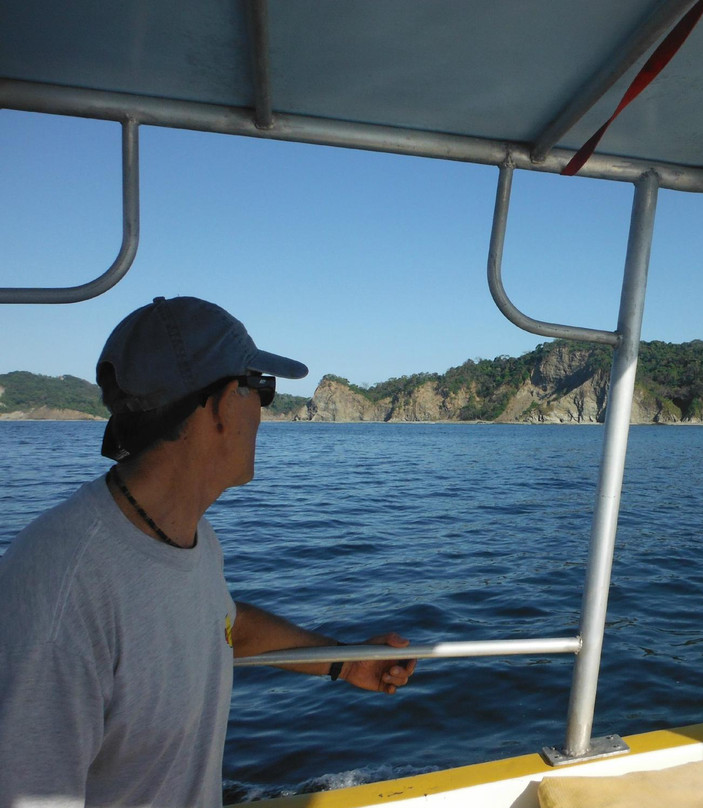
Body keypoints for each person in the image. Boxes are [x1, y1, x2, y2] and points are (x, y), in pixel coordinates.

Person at [0, 296, 416, 807]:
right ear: (221, 405)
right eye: (262, 390)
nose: (265, 412)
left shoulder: (187, 535)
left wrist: (343, 662)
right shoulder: (61, 595)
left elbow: (220, 627)